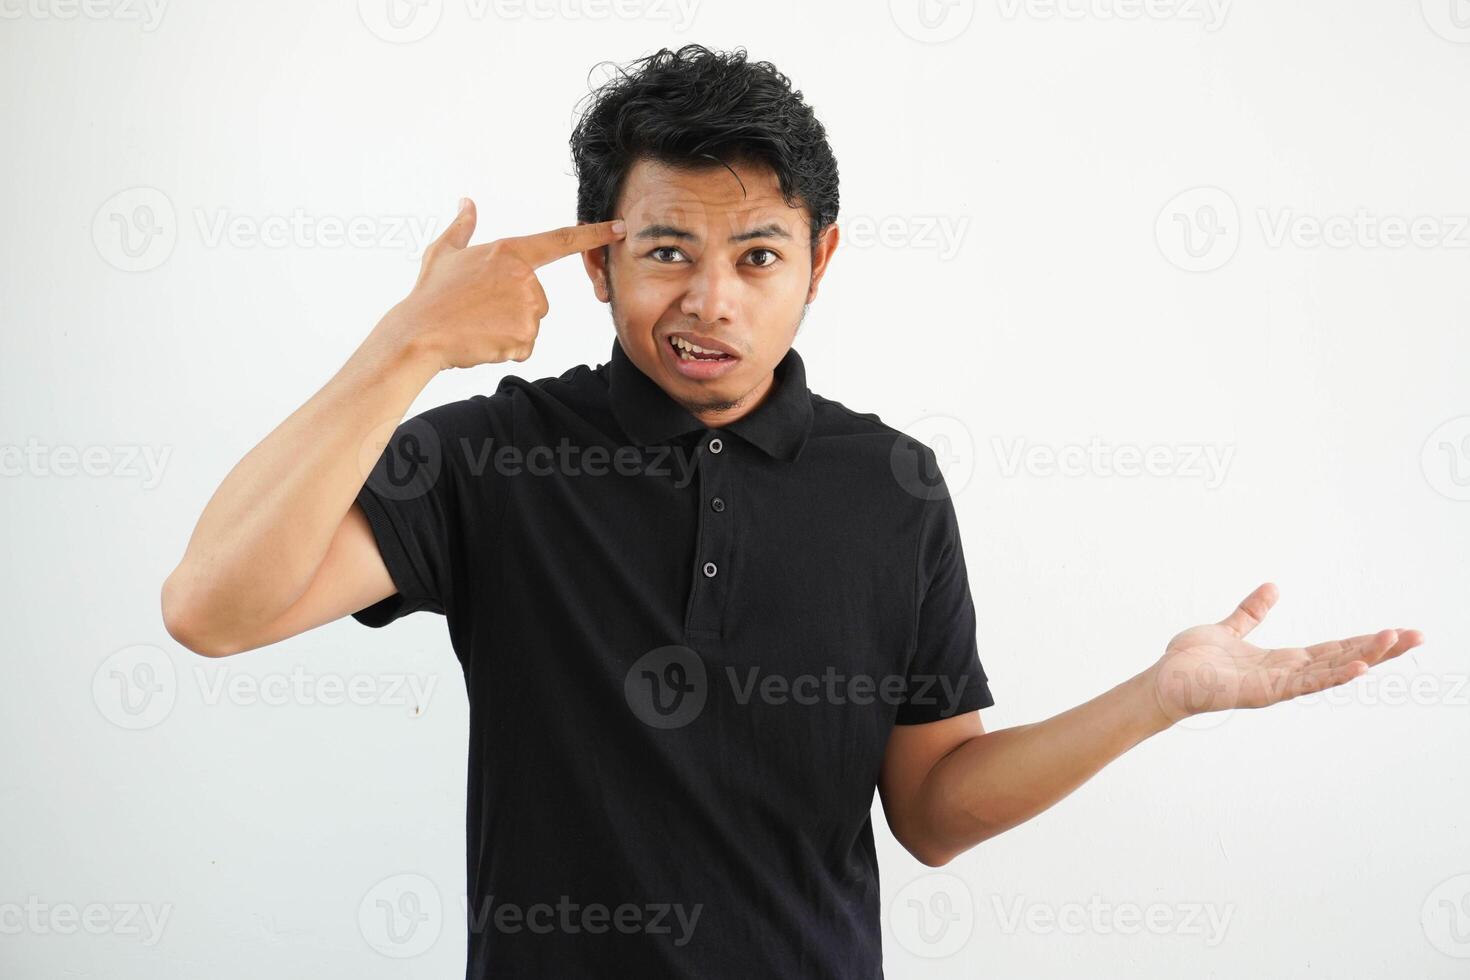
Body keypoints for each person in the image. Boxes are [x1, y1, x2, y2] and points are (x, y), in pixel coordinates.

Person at [160, 43, 1423, 979]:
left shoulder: (892, 486)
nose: (711, 300)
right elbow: (211, 610)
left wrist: (1159, 696)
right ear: (598, 263)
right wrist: (406, 346)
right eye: (667, 252)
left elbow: (931, 810)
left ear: (821, 261)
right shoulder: (494, 453)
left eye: (758, 256)